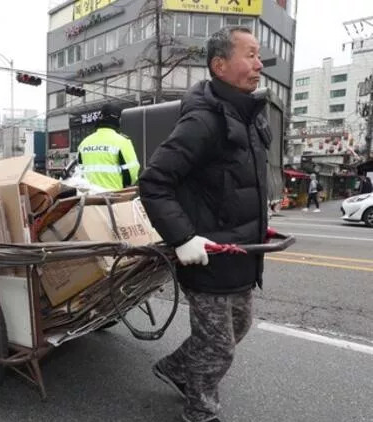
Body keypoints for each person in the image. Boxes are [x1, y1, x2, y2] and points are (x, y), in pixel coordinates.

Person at [138, 27, 270, 422]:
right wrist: (182, 238)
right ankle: (200, 411)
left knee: (239, 326)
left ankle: (176, 368)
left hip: (242, 255)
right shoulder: (204, 120)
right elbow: (154, 182)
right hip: (207, 257)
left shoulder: (249, 115)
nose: (259, 64)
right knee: (218, 348)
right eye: (250, 55)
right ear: (220, 65)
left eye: (258, 55)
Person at [77, 104, 140, 190]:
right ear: (118, 120)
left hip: (89, 197)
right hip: (113, 196)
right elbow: (132, 172)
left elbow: (79, 172)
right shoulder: (122, 142)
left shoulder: (84, 143)